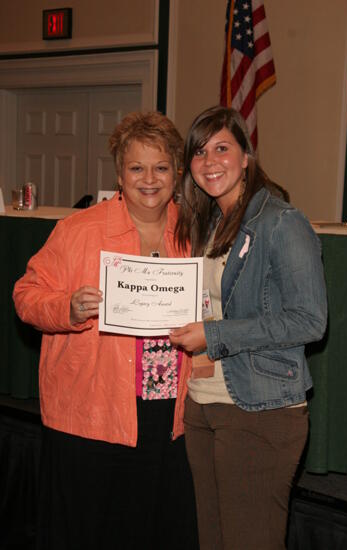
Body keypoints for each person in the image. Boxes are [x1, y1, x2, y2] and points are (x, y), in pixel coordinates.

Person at [13, 111, 199, 550]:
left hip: (169, 413)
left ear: (175, 171)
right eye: (137, 167)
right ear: (119, 173)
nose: (149, 179)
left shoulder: (193, 231)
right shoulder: (78, 230)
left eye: (160, 167)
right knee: (92, 530)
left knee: (154, 528)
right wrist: (68, 307)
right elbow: (26, 294)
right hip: (93, 411)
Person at [170, 105, 327, 550]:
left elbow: (310, 320)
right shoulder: (210, 223)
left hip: (261, 410)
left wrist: (214, 335)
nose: (210, 161)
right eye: (199, 152)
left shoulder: (281, 222)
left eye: (222, 148)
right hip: (203, 405)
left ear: (246, 156)